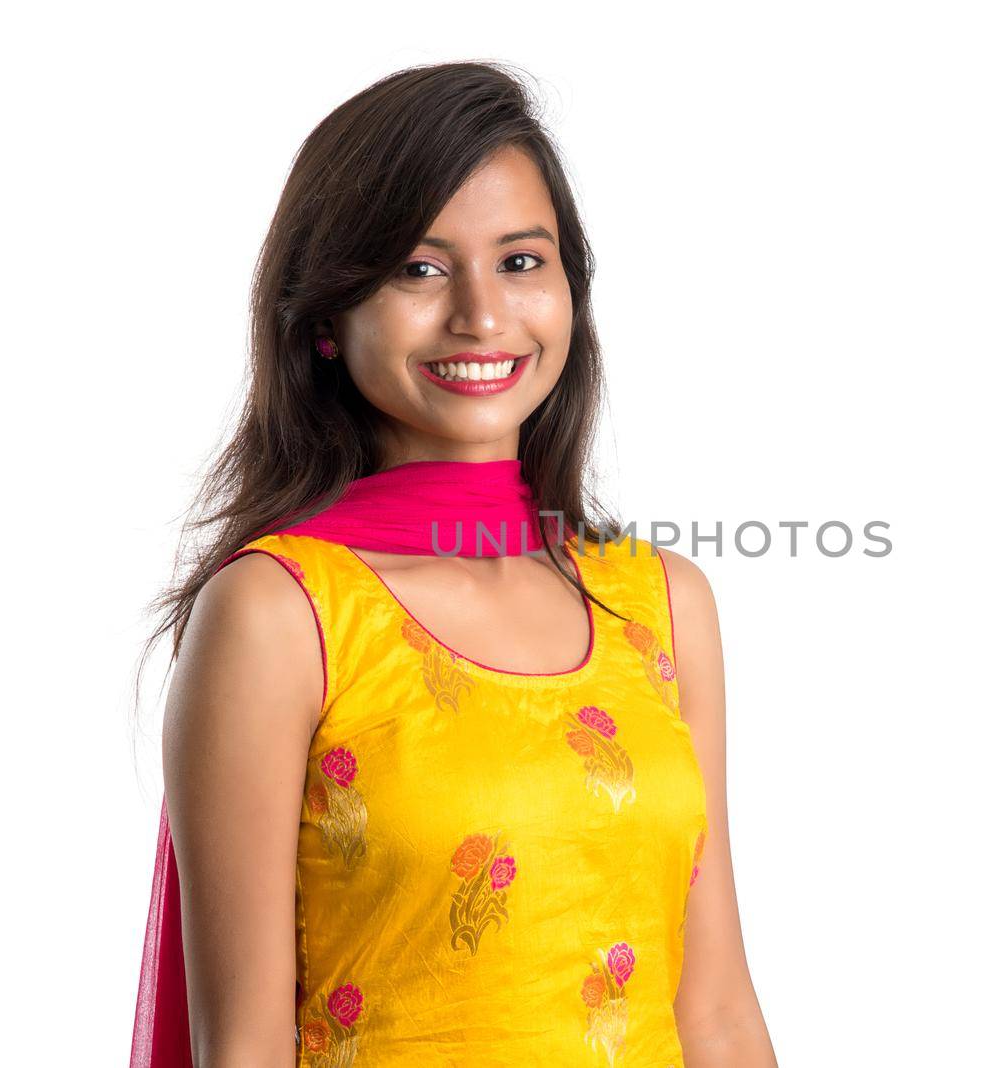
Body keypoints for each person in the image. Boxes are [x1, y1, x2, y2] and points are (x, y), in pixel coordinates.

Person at [129, 61, 777, 1067]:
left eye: (521, 262)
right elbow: (243, 1047)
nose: (481, 315)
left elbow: (719, 1014)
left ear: (571, 289)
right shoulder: (282, 612)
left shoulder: (663, 606)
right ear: (324, 322)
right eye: (419, 270)